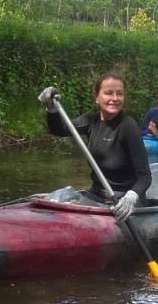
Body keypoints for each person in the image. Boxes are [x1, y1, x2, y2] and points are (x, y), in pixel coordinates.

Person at [38, 72, 151, 222]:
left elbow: (145, 176)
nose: (115, 98)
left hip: (122, 201)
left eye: (119, 94)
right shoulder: (91, 121)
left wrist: (131, 197)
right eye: (109, 93)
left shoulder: (128, 126)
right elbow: (59, 129)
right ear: (97, 97)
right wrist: (52, 109)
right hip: (96, 195)